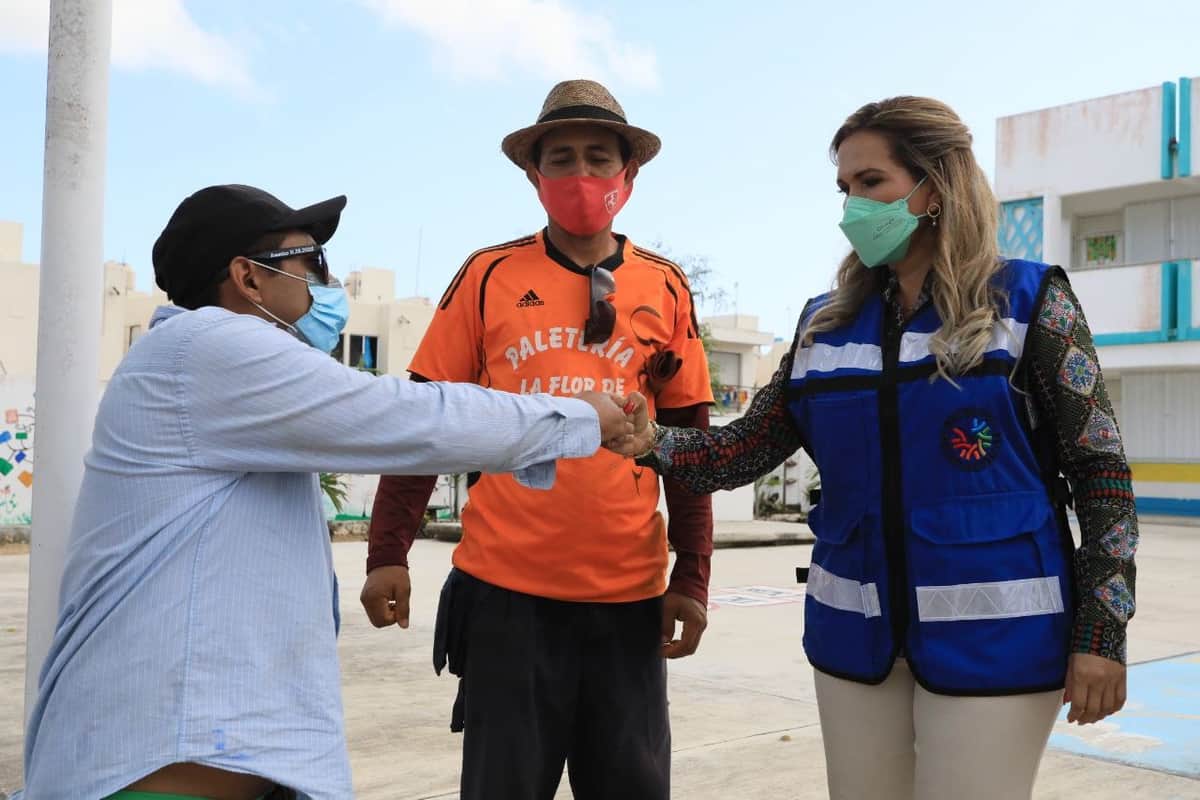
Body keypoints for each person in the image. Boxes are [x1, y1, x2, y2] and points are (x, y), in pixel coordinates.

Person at [16, 184, 640, 800]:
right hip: (160, 770)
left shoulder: (214, 372)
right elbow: (410, 420)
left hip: (196, 761)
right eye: (310, 261)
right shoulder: (210, 348)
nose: (327, 281)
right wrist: (576, 417)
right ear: (248, 278)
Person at [616, 96, 1137, 800]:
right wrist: (648, 439)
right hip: (853, 634)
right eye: (844, 188)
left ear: (936, 186)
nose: (852, 206)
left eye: (872, 183)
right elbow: (742, 451)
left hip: (1001, 640)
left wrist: (1101, 633)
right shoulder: (824, 327)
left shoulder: (1028, 302)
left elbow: (1101, 475)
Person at [361, 79, 714, 800]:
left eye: (598, 158)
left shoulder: (666, 286)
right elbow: (428, 417)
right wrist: (386, 552)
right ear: (534, 174)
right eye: (561, 159)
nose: (581, 176)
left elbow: (689, 444)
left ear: (629, 175)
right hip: (507, 596)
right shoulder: (489, 276)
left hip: (629, 598)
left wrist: (693, 576)